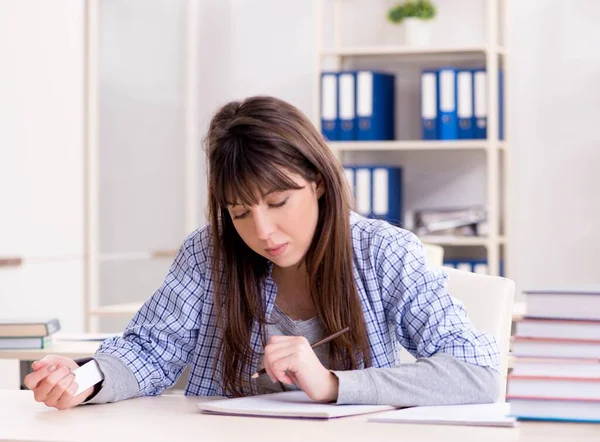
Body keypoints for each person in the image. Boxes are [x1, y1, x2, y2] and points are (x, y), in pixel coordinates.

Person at [25, 96, 500, 410]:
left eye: (277, 203)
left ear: (317, 182)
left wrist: (334, 384)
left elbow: (476, 373)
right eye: (239, 212)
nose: (263, 230)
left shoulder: (384, 252)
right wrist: (84, 380)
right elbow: (150, 351)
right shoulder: (209, 251)